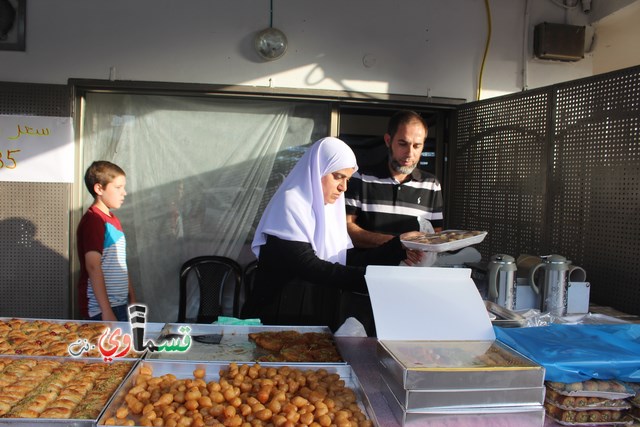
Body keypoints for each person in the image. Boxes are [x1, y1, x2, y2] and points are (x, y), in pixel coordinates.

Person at [242, 137, 419, 334]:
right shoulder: (290, 203)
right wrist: (375, 280)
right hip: (275, 321)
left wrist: (398, 246)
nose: (343, 187)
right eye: (337, 176)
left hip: (312, 321)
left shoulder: (328, 210)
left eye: (347, 179)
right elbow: (309, 266)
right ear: (317, 170)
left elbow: (346, 258)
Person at [345, 110, 444, 264]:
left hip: (412, 280)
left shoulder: (431, 185)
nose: (410, 153)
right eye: (403, 144)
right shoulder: (361, 178)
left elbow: (436, 234)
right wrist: (396, 244)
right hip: (365, 278)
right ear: (388, 140)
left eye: (417, 146)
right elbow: (345, 228)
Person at [77, 161, 137, 322]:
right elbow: (93, 265)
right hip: (101, 309)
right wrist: (106, 310)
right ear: (99, 188)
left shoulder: (112, 220)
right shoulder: (94, 220)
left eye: (123, 187)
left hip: (119, 304)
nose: (124, 193)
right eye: (118, 188)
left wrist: (131, 296)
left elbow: (119, 263)